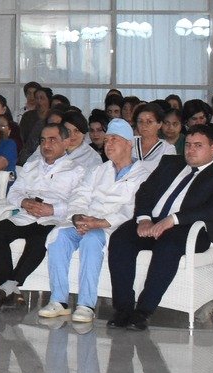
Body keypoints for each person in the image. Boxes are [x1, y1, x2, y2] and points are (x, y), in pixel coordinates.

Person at [105, 124, 213, 329]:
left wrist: (173, 219)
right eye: (188, 145)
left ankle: (143, 311)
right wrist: (144, 218)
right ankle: (123, 309)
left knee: (168, 246)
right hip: (153, 222)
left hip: (191, 229)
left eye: (198, 145)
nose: (191, 150)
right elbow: (145, 191)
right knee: (120, 239)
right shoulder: (170, 163)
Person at [38, 119, 158, 326]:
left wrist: (100, 222)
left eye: (115, 139)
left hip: (113, 227)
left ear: (129, 143)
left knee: (91, 240)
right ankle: (59, 300)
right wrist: (77, 217)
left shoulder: (143, 175)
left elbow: (132, 208)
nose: (108, 144)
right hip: (85, 220)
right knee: (59, 237)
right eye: (107, 140)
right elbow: (80, 195)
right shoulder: (98, 170)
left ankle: (86, 305)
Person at [0, 118, 90, 312]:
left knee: (40, 239)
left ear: (66, 142)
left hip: (52, 219)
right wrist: (24, 202)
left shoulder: (77, 170)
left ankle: (6, 288)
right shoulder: (31, 165)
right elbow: (14, 192)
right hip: (26, 215)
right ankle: (10, 290)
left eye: (52, 140)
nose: (46, 145)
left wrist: (52, 209)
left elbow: (80, 202)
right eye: (43, 140)